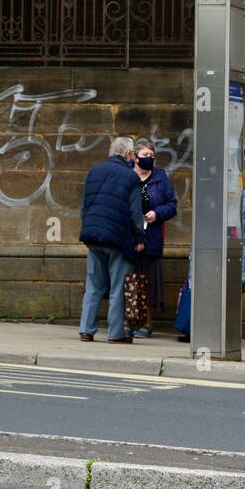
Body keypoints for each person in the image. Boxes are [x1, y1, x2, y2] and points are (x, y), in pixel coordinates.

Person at [78, 136, 146, 344]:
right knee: (118, 287)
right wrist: (140, 238)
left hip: (93, 235)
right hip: (118, 238)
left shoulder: (94, 171)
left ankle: (86, 330)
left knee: (94, 285)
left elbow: (85, 206)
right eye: (133, 154)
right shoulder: (130, 177)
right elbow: (135, 213)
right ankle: (115, 333)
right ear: (127, 155)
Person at [127, 138, 179, 339]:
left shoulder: (160, 177)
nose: (149, 159)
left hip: (152, 237)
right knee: (132, 281)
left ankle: (147, 324)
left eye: (152, 155)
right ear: (135, 157)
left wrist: (157, 213)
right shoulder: (127, 176)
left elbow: (172, 204)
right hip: (131, 236)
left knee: (149, 282)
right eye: (145, 155)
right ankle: (132, 321)